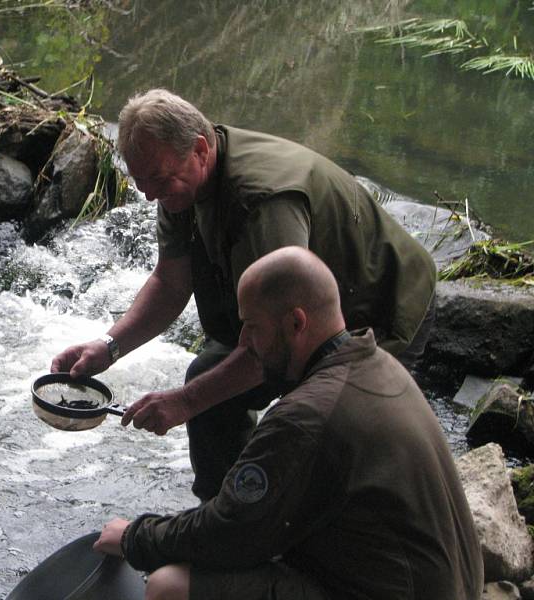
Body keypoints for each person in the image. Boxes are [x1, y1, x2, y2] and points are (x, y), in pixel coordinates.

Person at [51, 88, 437, 501]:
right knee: (208, 387)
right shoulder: (177, 183)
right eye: (141, 182)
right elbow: (170, 283)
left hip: (378, 306)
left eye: (158, 181)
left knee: (325, 433)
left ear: (200, 149)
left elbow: (280, 338)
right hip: (292, 318)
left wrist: (183, 402)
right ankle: (225, 516)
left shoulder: (263, 200)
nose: (148, 196)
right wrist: (109, 347)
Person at [93, 247, 483, 600]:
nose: (245, 340)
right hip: (447, 585)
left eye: (254, 326)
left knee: (170, 585)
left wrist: (134, 537)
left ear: (296, 323)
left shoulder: (305, 417)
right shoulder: (377, 364)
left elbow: (226, 532)